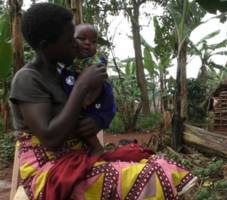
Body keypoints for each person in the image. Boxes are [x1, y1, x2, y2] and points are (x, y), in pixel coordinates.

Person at [12, 3, 195, 199]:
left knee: (157, 163)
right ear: (45, 46)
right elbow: (51, 139)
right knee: (150, 175)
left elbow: (82, 112)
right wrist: (82, 86)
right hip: (48, 169)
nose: (76, 44)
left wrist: (93, 122)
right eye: (69, 41)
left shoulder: (63, 74)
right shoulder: (28, 79)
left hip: (77, 157)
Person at [58, 23, 117, 158]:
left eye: (93, 41)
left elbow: (98, 85)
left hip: (96, 101)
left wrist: (88, 99)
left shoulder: (94, 62)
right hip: (81, 100)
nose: (87, 43)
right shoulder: (71, 61)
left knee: (82, 123)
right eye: (82, 38)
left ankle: (97, 148)